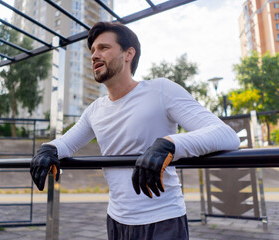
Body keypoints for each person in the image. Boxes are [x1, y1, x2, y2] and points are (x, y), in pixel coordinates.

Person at [30, 22, 240, 239]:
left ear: (129, 53)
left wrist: (168, 144)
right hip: (116, 221)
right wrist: (48, 150)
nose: (94, 55)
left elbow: (226, 135)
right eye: (92, 50)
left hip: (163, 220)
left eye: (103, 48)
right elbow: (66, 143)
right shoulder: (95, 109)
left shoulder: (161, 90)